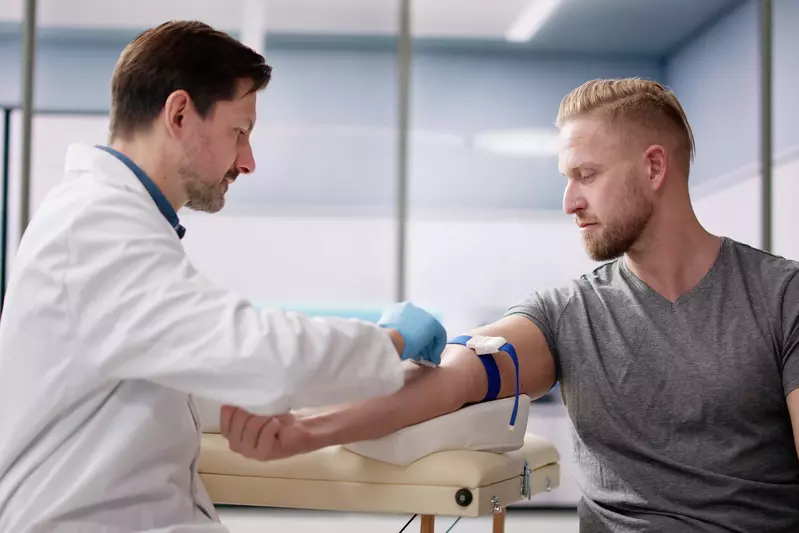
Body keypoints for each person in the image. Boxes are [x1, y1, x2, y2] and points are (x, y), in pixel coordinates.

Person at [221, 78, 799, 532]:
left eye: (587, 175)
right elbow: (448, 383)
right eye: (566, 178)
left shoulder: (781, 297)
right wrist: (303, 429)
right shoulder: (567, 313)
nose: (570, 201)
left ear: (653, 167)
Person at [0, 21, 448, 533]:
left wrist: (253, 400)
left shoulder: (110, 221)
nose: (248, 161)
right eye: (240, 132)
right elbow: (252, 348)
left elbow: (156, 378)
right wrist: (388, 341)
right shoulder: (96, 228)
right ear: (180, 113)